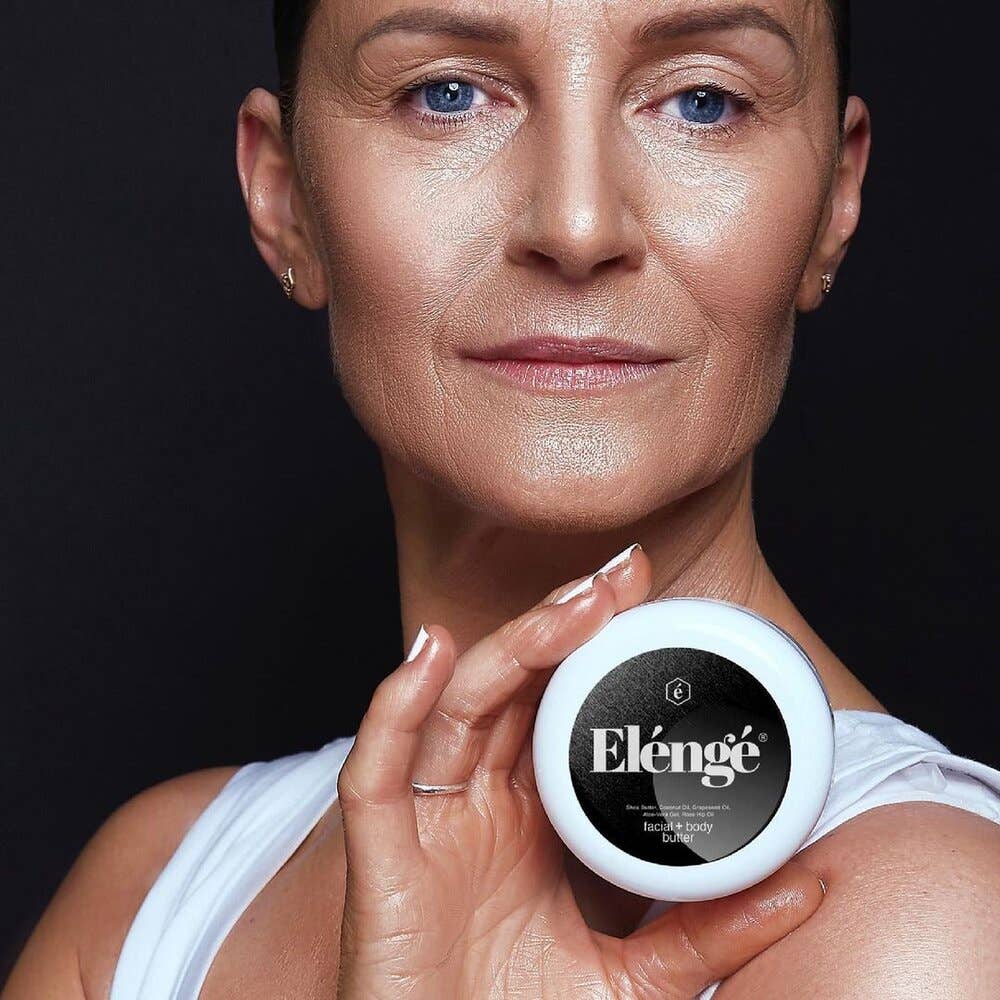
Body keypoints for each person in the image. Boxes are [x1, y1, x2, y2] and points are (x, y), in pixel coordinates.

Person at [5, 0, 1000, 997]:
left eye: (703, 101)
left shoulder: (922, 925)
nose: (576, 226)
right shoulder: (147, 894)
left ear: (834, 199)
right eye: (447, 95)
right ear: (284, 193)